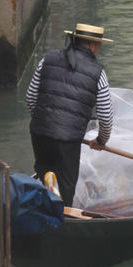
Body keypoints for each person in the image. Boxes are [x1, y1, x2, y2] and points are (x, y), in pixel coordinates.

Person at [25, 23, 113, 206]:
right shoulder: (98, 73)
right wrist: (101, 140)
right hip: (68, 139)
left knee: (44, 172)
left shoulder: (47, 59)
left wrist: (42, 119)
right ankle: (59, 216)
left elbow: (30, 96)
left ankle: (46, 195)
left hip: (40, 132)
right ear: (93, 46)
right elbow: (105, 116)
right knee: (65, 186)